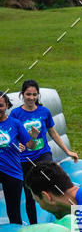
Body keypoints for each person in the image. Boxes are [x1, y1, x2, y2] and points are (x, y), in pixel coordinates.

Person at [10, 79, 78, 225]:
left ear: (38, 95)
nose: (31, 97)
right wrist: (18, 145)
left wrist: (67, 151)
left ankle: (65, 219)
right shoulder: (16, 114)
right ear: (22, 95)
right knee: (30, 195)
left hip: (42, 154)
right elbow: (12, 135)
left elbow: (52, 132)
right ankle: (35, 226)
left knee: (56, 184)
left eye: (34, 94)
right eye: (28, 94)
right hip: (25, 159)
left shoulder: (44, 111)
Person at [0, 93, 40, 224]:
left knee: (13, 212)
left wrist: (33, 137)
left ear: (6, 106)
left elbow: (30, 145)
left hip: (12, 172)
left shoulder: (15, 123)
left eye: (0, 105)